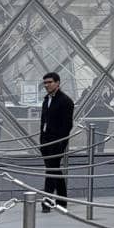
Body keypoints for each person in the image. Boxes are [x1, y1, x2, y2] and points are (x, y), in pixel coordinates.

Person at [37, 71, 76, 211]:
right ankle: (62, 199)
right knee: (54, 170)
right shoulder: (46, 99)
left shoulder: (66, 101)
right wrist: (42, 140)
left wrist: (60, 142)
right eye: (45, 83)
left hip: (57, 142)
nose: (47, 85)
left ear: (58, 83)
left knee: (51, 170)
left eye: (49, 82)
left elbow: (67, 125)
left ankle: (46, 202)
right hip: (46, 141)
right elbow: (44, 122)